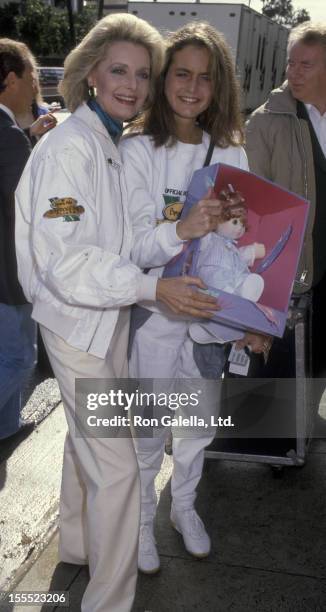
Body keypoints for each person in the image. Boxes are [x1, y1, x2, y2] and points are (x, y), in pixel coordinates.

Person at [15, 14, 221, 612]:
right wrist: (154, 291)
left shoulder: (105, 143)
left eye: (140, 74)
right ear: (89, 76)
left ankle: (78, 547)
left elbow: (124, 247)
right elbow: (68, 263)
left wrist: (176, 233)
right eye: (118, 70)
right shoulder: (70, 149)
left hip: (102, 320)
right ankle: (106, 601)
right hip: (78, 323)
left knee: (88, 444)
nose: (131, 84)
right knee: (121, 471)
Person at [120, 22, 269, 575]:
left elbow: (245, 226)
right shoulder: (136, 149)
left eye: (205, 77)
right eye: (181, 73)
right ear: (163, 79)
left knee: (199, 422)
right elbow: (131, 244)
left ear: (219, 85)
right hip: (156, 311)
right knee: (148, 424)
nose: (191, 86)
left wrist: (236, 221)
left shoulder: (229, 147)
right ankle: (139, 520)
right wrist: (182, 229)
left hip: (210, 317)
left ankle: (184, 507)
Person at [245, 22, 326, 402]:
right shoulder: (266, 121)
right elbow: (254, 204)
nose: (293, 73)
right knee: (288, 362)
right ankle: (280, 443)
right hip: (296, 264)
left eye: (305, 65)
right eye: (291, 63)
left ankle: (306, 425)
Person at [0, 38, 56, 440]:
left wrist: (28, 137)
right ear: (9, 79)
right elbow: (36, 204)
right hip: (8, 275)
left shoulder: (10, 133)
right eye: (31, 76)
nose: (35, 85)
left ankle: (6, 428)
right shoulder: (7, 137)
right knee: (20, 359)